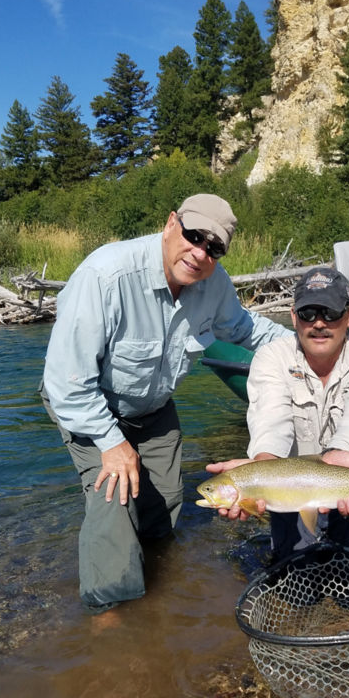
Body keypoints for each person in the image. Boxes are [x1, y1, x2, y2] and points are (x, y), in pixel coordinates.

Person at [41, 193, 291, 612]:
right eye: (194, 236)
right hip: (87, 404)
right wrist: (111, 443)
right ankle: (111, 624)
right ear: (170, 223)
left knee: (164, 509)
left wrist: (317, 344)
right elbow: (68, 383)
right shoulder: (105, 276)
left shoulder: (215, 284)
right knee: (114, 503)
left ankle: (158, 593)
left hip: (153, 408)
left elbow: (248, 330)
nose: (199, 253)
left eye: (214, 248)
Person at [207, 266, 349, 562]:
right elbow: (271, 421)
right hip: (287, 494)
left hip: (348, 486)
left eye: (330, 313)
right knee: (294, 575)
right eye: (309, 313)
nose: (319, 323)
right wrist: (260, 469)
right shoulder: (271, 358)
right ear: (294, 317)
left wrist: (344, 456)